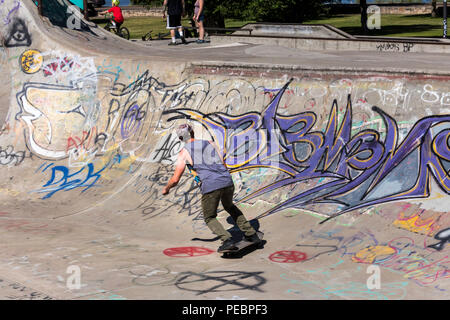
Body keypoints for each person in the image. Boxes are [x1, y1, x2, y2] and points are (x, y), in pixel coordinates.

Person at [162, 124, 260, 252]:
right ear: (192, 134)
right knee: (229, 206)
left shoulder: (184, 152)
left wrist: (167, 188)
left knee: (209, 217)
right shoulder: (210, 143)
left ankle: (227, 240)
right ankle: (251, 234)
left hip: (211, 186)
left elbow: (175, 179)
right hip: (227, 181)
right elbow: (223, 163)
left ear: (180, 138)